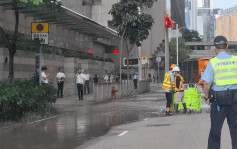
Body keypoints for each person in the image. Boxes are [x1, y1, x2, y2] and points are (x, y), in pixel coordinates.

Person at [201, 35, 237, 149]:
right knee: (235, 131)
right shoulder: (235, 60)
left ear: (214, 47)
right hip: (235, 101)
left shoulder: (213, 62)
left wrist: (207, 98)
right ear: (227, 46)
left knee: (215, 131)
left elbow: (206, 84)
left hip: (218, 102)